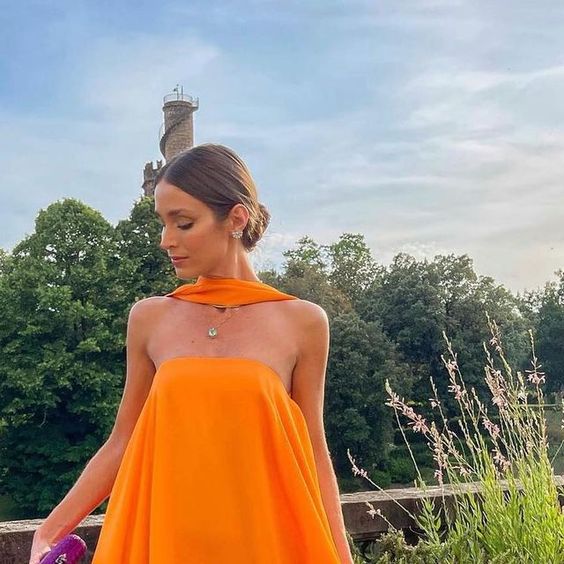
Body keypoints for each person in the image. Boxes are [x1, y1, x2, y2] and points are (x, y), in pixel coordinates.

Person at [29, 143, 354, 563]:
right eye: (163, 223)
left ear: (236, 218)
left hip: (262, 541)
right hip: (166, 539)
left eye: (183, 223)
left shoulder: (303, 322)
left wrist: (341, 555)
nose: (166, 240)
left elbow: (314, 452)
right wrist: (50, 529)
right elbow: (122, 442)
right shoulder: (150, 318)